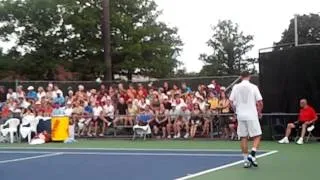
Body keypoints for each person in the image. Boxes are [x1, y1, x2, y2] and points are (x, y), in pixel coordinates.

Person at [229, 71, 263, 168]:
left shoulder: (236, 87)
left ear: (241, 77)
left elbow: (231, 101)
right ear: (249, 77)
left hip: (241, 115)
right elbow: (260, 102)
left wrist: (236, 111)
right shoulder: (254, 87)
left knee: (243, 137)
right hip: (252, 115)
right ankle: (252, 155)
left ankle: (245, 161)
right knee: (257, 135)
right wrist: (259, 112)